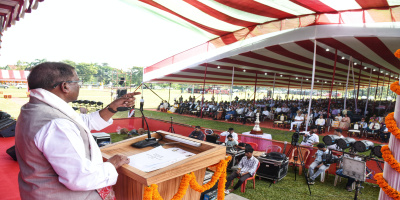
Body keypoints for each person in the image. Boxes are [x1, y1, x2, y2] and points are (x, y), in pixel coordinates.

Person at [15, 62, 138, 200]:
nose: (79, 86)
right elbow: (81, 178)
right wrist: (112, 163)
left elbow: (81, 122)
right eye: (77, 82)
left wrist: (113, 107)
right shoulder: (57, 124)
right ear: (65, 86)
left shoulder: (34, 109)